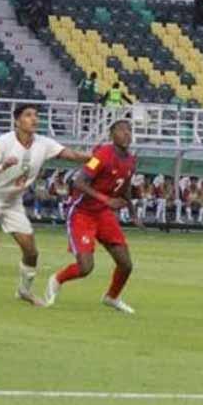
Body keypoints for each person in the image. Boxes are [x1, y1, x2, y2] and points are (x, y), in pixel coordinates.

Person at [0, 103, 91, 308]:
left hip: (13, 203)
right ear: (17, 121)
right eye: (28, 115)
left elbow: (71, 155)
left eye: (36, 116)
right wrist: (3, 166)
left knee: (31, 252)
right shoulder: (4, 142)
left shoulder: (43, 143)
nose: (34, 119)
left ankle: (24, 291)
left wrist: (97, 160)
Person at [45, 118, 139, 312]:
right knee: (85, 268)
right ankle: (56, 279)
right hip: (82, 213)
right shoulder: (102, 155)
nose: (126, 133)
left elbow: (126, 187)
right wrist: (107, 200)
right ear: (112, 134)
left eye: (129, 130)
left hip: (103, 215)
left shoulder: (131, 160)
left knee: (126, 264)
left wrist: (132, 212)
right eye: (121, 130)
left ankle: (111, 297)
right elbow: (79, 182)